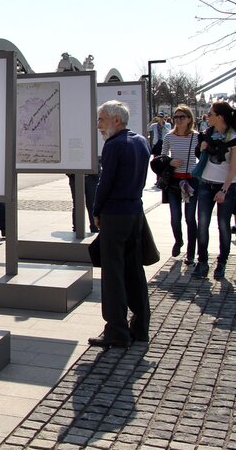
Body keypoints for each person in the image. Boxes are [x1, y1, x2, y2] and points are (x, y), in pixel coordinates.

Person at [89, 100, 151, 348]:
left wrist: (97, 211)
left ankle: (116, 329)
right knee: (134, 270)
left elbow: (105, 183)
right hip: (135, 212)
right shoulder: (141, 141)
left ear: (116, 119)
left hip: (115, 215)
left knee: (113, 274)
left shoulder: (114, 146)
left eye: (101, 120)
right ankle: (140, 325)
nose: (98, 126)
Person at [194, 101, 236, 279]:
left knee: (223, 225)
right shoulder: (207, 134)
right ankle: (203, 261)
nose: (208, 116)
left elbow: (233, 168)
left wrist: (224, 190)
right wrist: (201, 148)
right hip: (206, 183)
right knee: (203, 223)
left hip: (226, 186)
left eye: (210, 113)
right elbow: (200, 156)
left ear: (220, 117)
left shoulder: (234, 137)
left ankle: (222, 262)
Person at [160, 105, 198, 265]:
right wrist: (170, 161)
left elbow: (202, 157)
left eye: (182, 116)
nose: (178, 119)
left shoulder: (196, 137)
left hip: (191, 180)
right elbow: (161, 157)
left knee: (190, 218)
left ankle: (190, 253)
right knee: (175, 217)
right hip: (174, 181)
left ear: (189, 119)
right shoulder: (169, 136)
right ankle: (178, 240)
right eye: (176, 117)